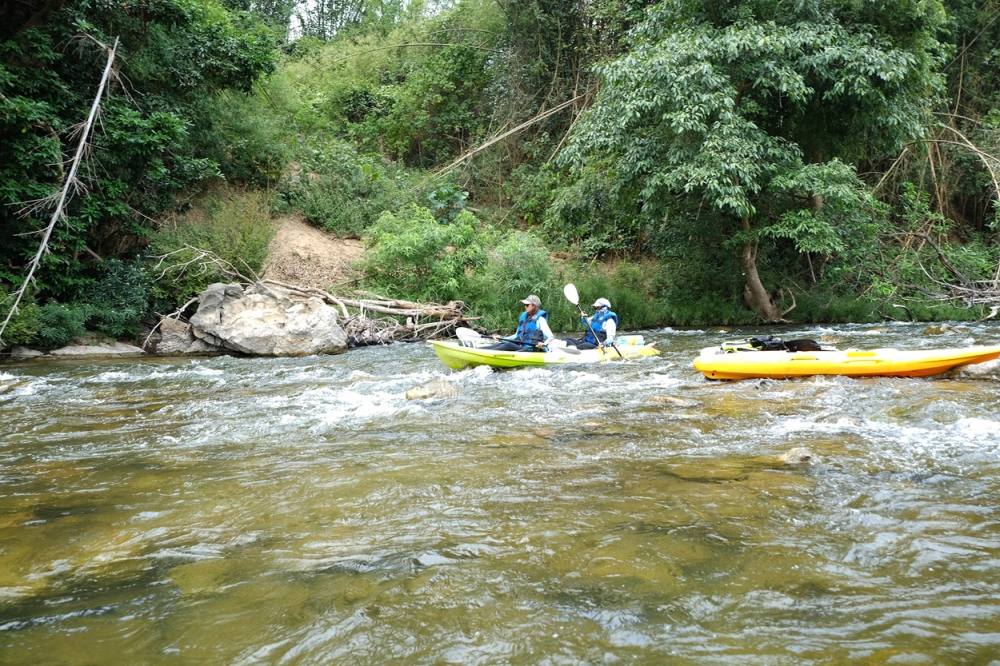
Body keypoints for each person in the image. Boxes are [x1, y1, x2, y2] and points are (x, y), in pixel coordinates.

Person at [486, 294, 554, 352]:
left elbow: (551, 336)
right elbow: (516, 336)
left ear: (534, 306)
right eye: (524, 305)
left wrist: (544, 344)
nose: (525, 306)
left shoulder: (540, 319)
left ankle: (485, 354)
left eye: (527, 305)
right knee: (501, 343)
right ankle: (479, 350)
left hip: (532, 349)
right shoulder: (525, 318)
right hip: (521, 345)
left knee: (508, 345)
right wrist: (502, 338)